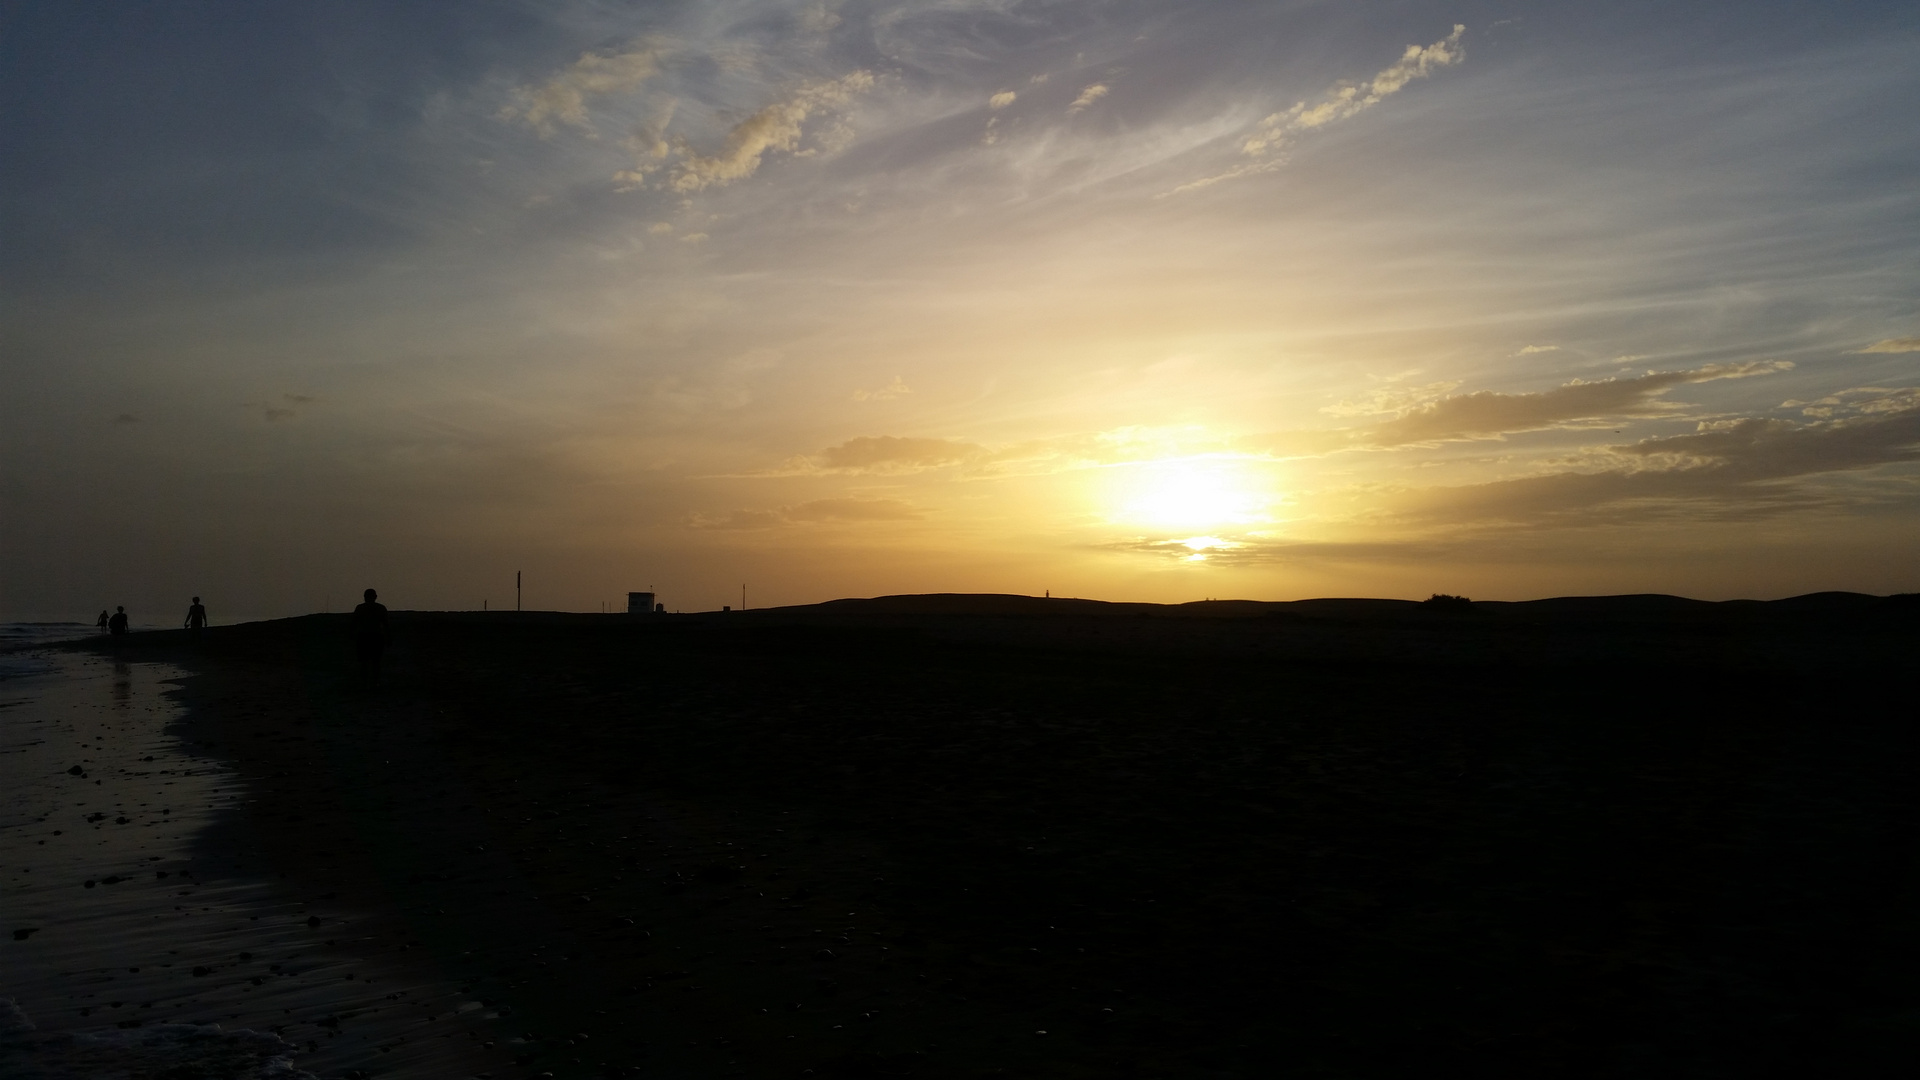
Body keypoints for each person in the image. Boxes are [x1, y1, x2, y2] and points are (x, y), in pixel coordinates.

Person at [351, 588, 388, 684]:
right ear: (375, 597)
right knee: (375, 662)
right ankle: (374, 682)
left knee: (365, 662)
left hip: (364, 637)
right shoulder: (380, 608)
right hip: (375, 637)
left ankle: (365, 683)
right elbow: (386, 624)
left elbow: (354, 624)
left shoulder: (360, 608)